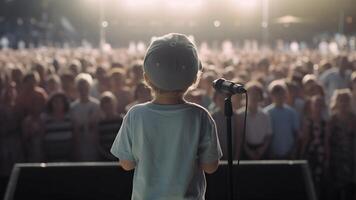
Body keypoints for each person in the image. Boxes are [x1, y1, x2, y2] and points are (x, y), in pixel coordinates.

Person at [111, 33, 222, 200]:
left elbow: (126, 164)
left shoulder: (135, 115)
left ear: (146, 78)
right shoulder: (201, 116)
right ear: (194, 79)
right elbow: (210, 166)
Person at [325, 89, 356, 200]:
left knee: (350, 186)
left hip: (351, 157)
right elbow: (327, 139)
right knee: (337, 186)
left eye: (346, 100)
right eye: (341, 100)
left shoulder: (353, 118)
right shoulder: (332, 119)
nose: (343, 103)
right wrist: (327, 157)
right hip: (336, 157)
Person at [264, 79, 300, 159]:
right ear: (271, 95)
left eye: (281, 93)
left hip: (289, 153)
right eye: (276, 93)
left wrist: (293, 150)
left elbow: (296, 133)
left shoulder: (292, 112)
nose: (279, 96)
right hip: (272, 154)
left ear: (285, 94)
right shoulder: (266, 113)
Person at [70, 73, 101, 161]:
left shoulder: (96, 105)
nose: (83, 90)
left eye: (85, 87)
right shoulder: (73, 107)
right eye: (81, 88)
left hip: (94, 145)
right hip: (79, 145)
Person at [238, 81, 272, 160]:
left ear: (260, 97)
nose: (254, 97)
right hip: (246, 151)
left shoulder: (265, 115)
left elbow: (268, 135)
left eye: (256, 94)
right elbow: (239, 136)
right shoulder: (240, 115)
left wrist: (261, 150)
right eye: (251, 94)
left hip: (262, 151)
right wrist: (248, 151)